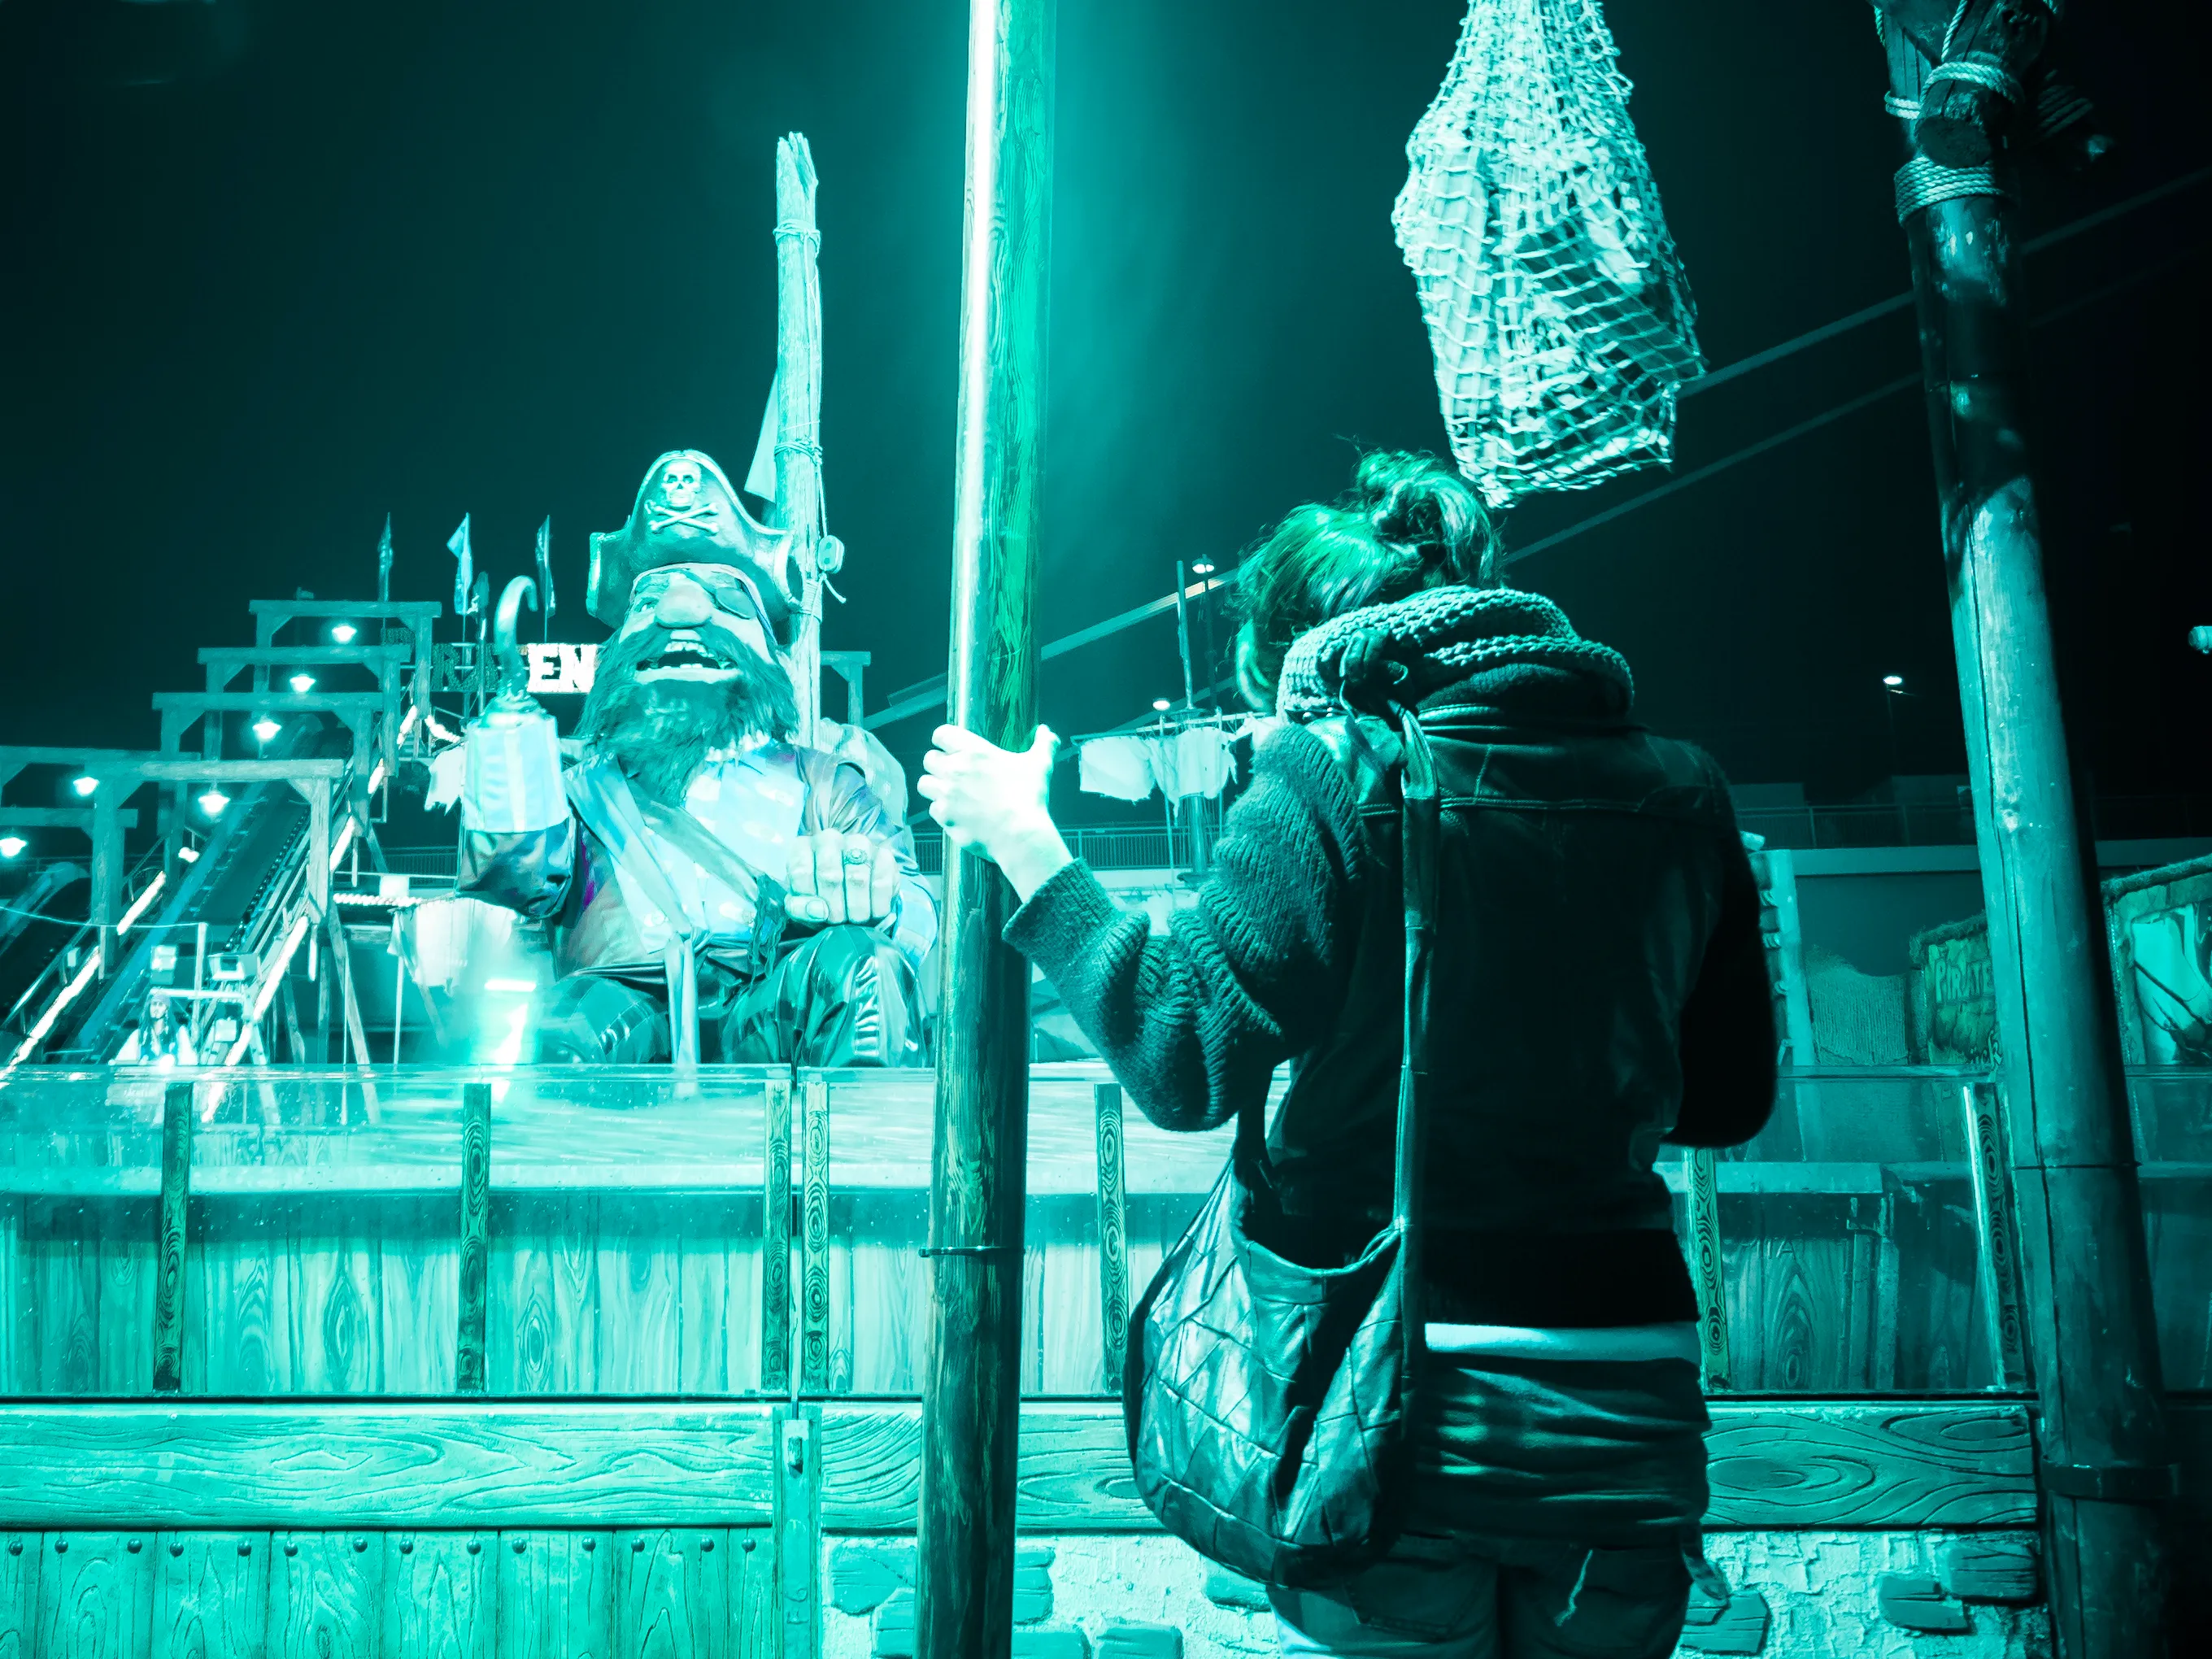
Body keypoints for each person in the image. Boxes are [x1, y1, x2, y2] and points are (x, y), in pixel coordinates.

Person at [918, 451, 1775, 1657]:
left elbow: (1181, 1051)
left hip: (1400, 1400)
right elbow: (1729, 1096)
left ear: (1304, 654)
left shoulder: (1335, 765)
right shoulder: (1685, 789)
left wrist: (1026, 843)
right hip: (1628, 1410)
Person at [455, 450, 934, 1067]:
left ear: (766, 643)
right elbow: (515, 877)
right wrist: (510, 736)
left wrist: (879, 895)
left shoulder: (824, 784)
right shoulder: (582, 793)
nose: (681, 612)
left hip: (774, 992)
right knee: (569, 1029)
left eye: (724, 597)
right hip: (626, 994)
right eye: (650, 597)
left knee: (860, 977)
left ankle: (851, 1162)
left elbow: (919, 912)